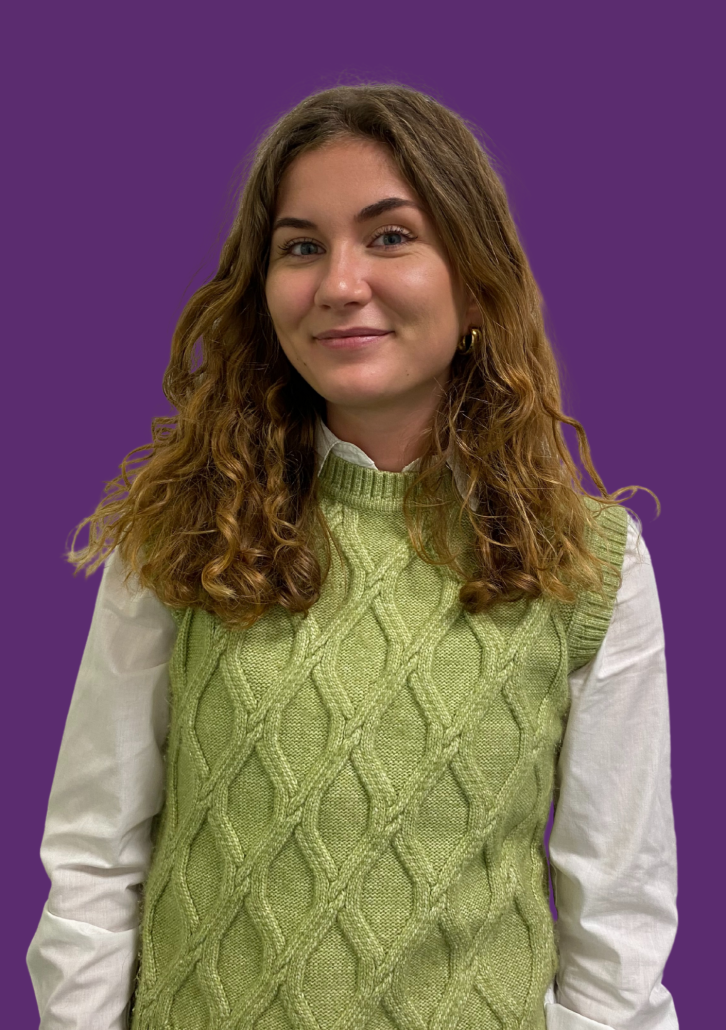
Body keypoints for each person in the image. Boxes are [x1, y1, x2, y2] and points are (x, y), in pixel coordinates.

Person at [26, 84, 678, 1030]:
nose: (339, 283)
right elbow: (94, 856)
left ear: (476, 280)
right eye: (300, 247)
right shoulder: (185, 532)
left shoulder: (585, 562)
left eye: (390, 236)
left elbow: (619, 909)